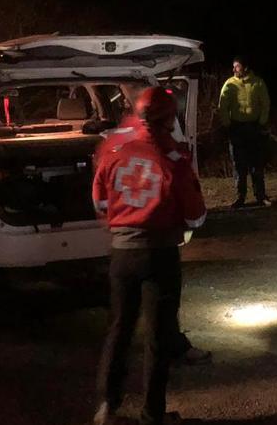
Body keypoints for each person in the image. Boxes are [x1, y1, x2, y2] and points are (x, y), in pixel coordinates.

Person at [92, 88, 207, 425]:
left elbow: (99, 201)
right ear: (169, 118)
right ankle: (152, 414)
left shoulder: (115, 151)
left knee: (119, 328)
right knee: (158, 335)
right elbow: (195, 215)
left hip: (122, 254)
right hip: (160, 255)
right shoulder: (172, 158)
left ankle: (106, 406)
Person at [218, 57, 271, 208]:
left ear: (245, 67)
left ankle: (260, 196)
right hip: (237, 128)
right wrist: (228, 124)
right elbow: (222, 106)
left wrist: (261, 122)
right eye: (233, 67)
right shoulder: (230, 83)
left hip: (254, 127)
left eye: (238, 67)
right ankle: (240, 197)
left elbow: (265, 103)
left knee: (257, 164)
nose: (234, 69)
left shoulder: (257, 82)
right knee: (239, 165)